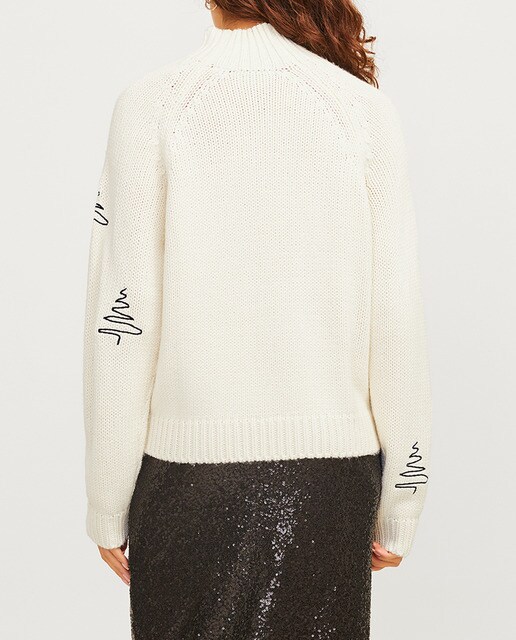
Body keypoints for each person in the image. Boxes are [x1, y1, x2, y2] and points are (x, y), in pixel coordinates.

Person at [83, 1, 432, 638]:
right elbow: (397, 320)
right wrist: (403, 499)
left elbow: (122, 322)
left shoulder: (149, 106)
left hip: (187, 485)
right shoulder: (363, 111)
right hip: (332, 485)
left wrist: (107, 500)